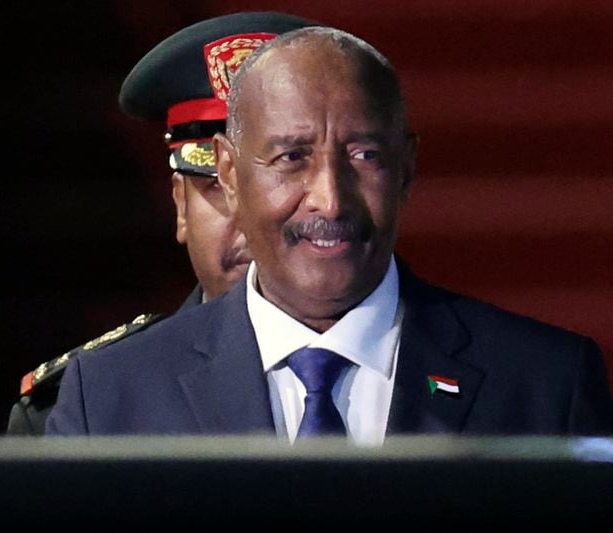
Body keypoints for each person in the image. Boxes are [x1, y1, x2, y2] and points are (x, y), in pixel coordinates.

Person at [45, 26, 613, 442]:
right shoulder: (111, 398)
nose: (330, 199)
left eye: (364, 155)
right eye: (291, 158)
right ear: (228, 175)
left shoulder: (545, 384)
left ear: (407, 169)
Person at [6, 12, 315, 435]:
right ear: (180, 207)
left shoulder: (430, 352)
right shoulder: (87, 411)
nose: (250, 217)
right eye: (216, 186)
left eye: (280, 177)